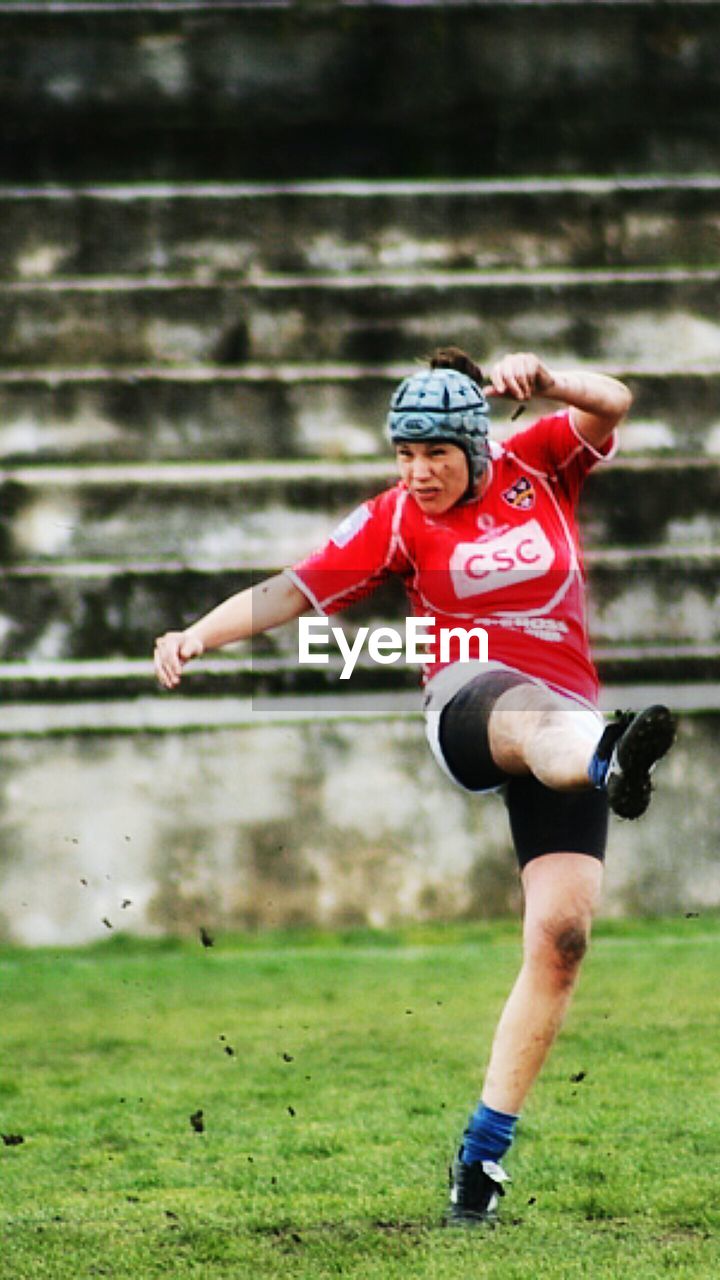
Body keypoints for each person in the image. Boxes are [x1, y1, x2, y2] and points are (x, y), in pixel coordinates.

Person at [153, 348, 676, 1227]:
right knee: (532, 715)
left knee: (562, 938)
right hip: (469, 701)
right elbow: (290, 591)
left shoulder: (539, 463)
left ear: (476, 449)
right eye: (403, 453)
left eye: (434, 453)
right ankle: (605, 762)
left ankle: (480, 1166)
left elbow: (615, 400)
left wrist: (547, 378)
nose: (417, 471)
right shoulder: (394, 521)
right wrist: (195, 636)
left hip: (574, 719)